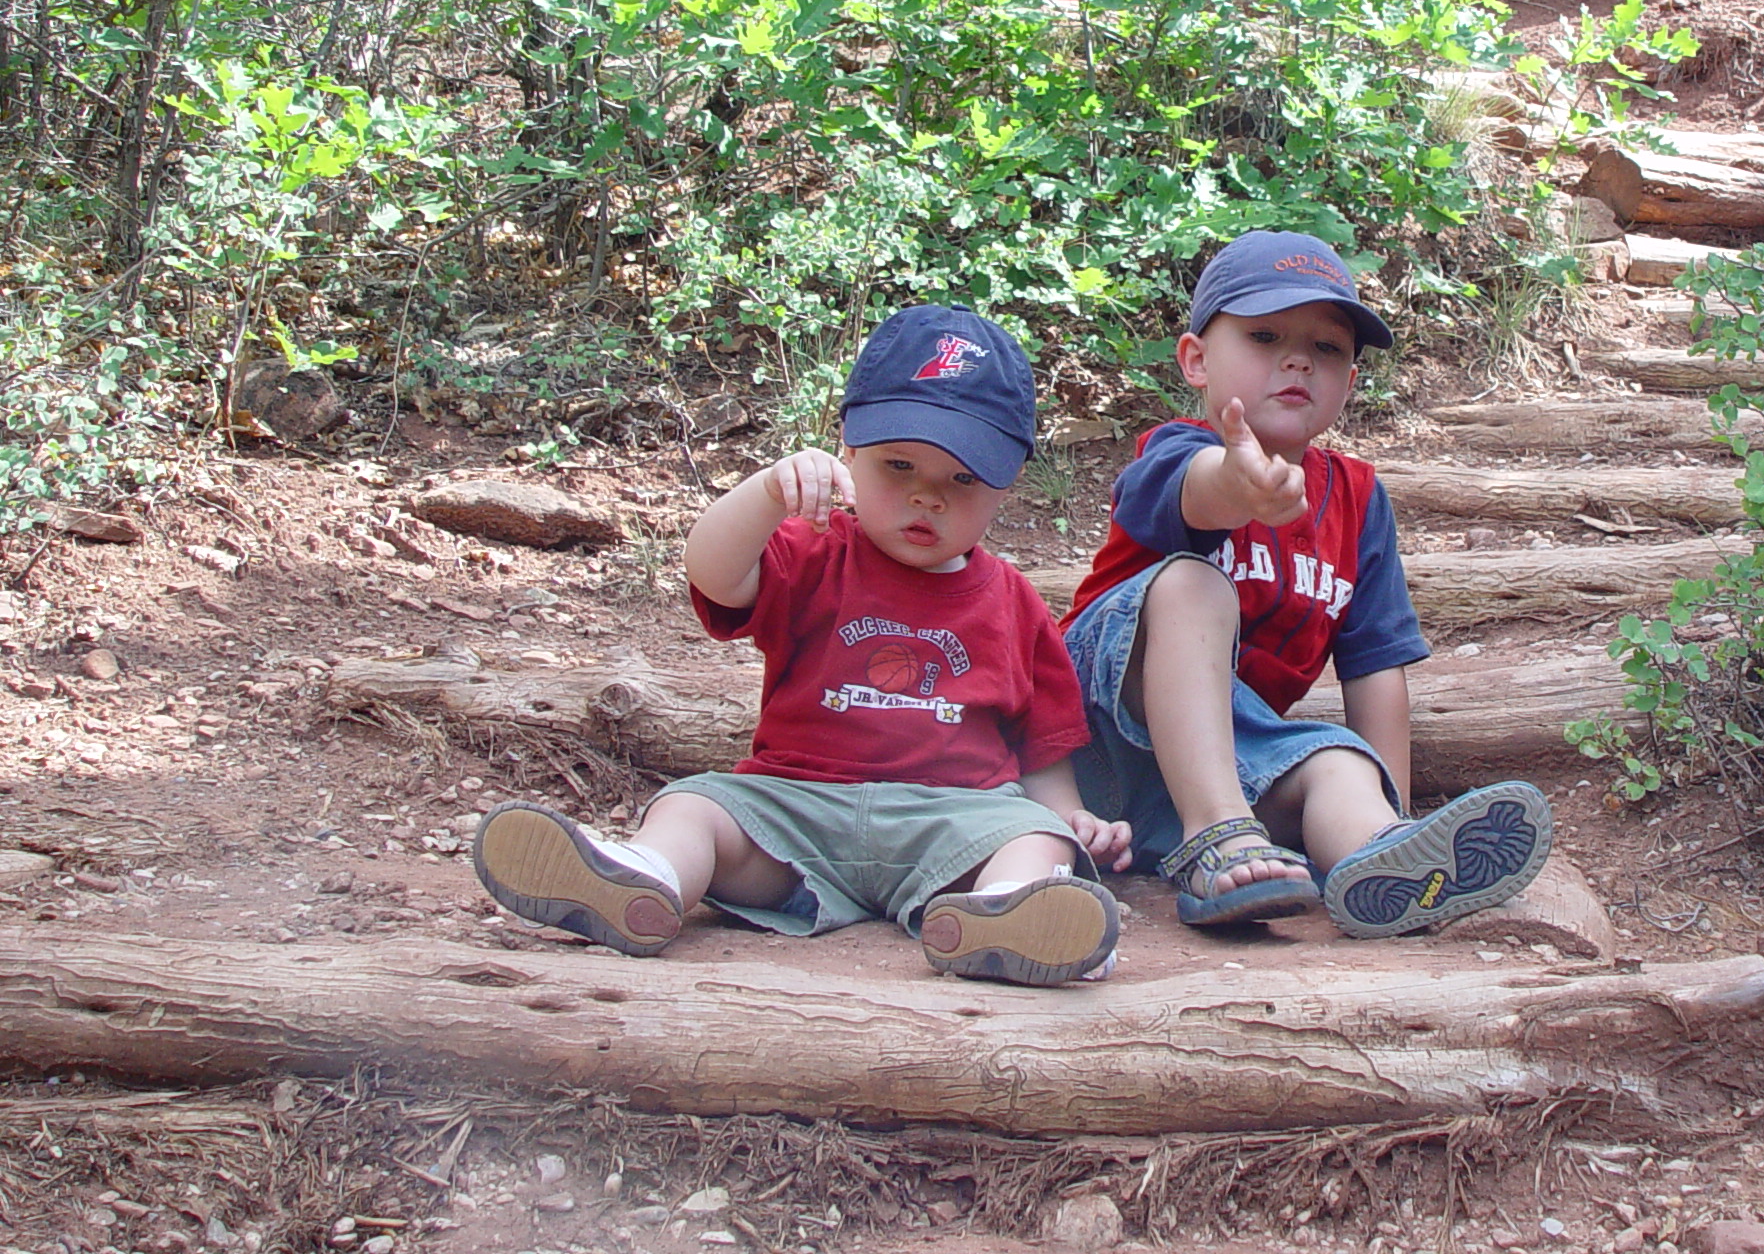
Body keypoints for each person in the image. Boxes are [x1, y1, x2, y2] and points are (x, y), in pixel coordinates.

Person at [472, 306, 1130, 986]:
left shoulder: (1015, 602)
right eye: (898, 464)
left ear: (1006, 485)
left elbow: (1043, 748)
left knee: (1034, 836)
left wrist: (1070, 818)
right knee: (694, 805)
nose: (926, 497)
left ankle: (1012, 919)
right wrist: (766, 493)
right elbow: (714, 574)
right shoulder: (811, 552)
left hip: (950, 824)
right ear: (847, 447)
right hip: (794, 813)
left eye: (962, 479)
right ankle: (644, 878)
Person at [1063, 231, 1552, 935]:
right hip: (1092, 739)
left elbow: (1375, 665)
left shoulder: (1356, 500)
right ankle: (1217, 835)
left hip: (1221, 761)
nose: (1298, 360)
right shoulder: (1175, 452)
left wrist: (1392, 801)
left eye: (1327, 349)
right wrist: (1240, 488)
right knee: (1194, 585)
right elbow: (1195, 496)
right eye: (1265, 337)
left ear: (1349, 381)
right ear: (1196, 360)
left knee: (1337, 765)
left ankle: (1384, 858)